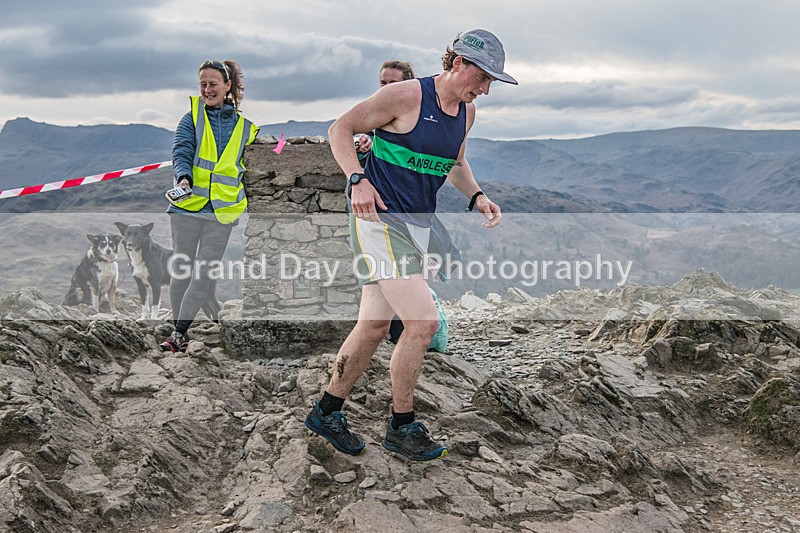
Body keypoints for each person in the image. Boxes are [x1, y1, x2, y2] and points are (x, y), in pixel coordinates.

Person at [305, 29, 517, 461]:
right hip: (379, 220)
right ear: (457, 63)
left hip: (415, 225)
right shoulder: (405, 96)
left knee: (374, 326)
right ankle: (402, 425)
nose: (486, 87)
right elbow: (339, 129)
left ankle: (327, 411)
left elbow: (454, 163)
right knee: (423, 323)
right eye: (483, 76)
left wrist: (476, 196)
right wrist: (357, 179)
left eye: (493, 81)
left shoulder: (466, 113)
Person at [159, 60, 259, 352]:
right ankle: (180, 328)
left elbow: (265, 154)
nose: (206, 89)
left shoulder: (246, 129)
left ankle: (179, 333)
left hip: (222, 212)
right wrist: (183, 178)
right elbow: (181, 150)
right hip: (188, 206)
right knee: (183, 269)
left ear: (228, 86)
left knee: (204, 273)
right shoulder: (191, 117)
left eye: (213, 84)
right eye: (202, 84)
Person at [354, 60, 417, 159]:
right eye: (383, 83)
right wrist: (364, 144)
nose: (387, 88)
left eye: (393, 83)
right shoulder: (374, 112)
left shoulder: (420, 112)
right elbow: (366, 139)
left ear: (407, 84)